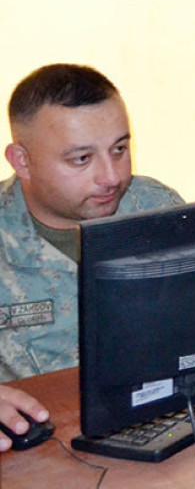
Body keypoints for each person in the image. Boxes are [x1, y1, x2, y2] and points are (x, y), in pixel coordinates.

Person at [0, 64, 183, 451]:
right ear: (22, 161)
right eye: (81, 159)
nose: (111, 177)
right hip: (40, 458)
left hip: (166, 432)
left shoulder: (158, 209)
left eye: (119, 149)